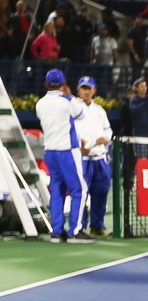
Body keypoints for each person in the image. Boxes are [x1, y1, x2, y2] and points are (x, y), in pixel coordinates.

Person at [35, 69, 93, 243]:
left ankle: (57, 232)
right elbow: (81, 114)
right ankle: (75, 230)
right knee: (79, 190)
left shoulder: (40, 104)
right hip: (67, 151)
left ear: (46, 84)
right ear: (63, 84)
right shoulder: (67, 101)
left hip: (50, 152)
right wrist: (70, 96)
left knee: (57, 191)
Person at [75, 76, 113, 237]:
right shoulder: (73, 109)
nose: (86, 91)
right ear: (78, 90)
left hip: (100, 158)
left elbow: (108, 130)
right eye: (83, 88)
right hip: (82, 158)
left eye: (89, 88)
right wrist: (78, 145)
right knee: (81, 194)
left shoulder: (99, 110)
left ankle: (97, 225)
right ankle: (80, 227)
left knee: (101, 192)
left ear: (94, 91)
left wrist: (105, 138)